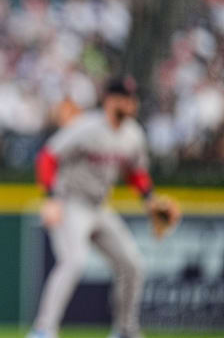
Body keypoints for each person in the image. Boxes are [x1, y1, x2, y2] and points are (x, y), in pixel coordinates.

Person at [27, 77, 158, 338]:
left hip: (100, 207)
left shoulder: (133, 133)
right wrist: (51, 198)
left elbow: (136, 172)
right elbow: (48, 157)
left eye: (132, 98)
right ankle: (43, 330)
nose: (130, 103)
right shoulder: (86, 127)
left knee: (132, 264)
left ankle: (124, 330)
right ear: (109, 100)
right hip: (71, 201)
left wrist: (149, 198)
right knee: (73, 261)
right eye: (124, 97)